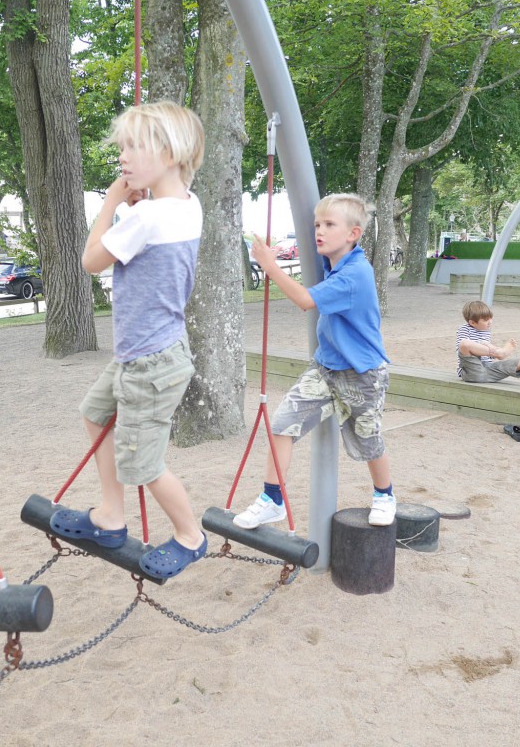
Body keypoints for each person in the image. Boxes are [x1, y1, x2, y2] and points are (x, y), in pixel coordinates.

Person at [48, 101, 207, 580]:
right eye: (122, 149)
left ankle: (190, 536)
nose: (123, 158)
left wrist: (111, 203)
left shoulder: (144, 218)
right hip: (151, 353)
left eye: (134, 147)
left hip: (150, 364)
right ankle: (111, 517)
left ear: (171, 151)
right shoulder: (187, 205)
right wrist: (139, 197)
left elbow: (91, 261)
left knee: (144, 463)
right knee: (95, 414)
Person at [232, 193, 396, 531]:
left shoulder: (355, 274)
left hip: (362, 374)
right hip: (325, 368)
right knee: (282, 424)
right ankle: (271, 499)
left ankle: (384, 494)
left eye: (329, 225)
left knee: (367, 440)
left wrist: (269, 265)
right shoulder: (334, 261)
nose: (318, 231)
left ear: (353, 234)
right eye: (316, 224)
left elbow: (306, 300)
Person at [456, 300, 520, 394]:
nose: (490, 322)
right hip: (471, 371)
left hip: (488, 370)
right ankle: (500, 353)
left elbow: (486, 355)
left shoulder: (486, 331)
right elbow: (464, 349)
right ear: (472, 322)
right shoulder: (464, 329)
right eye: (485, 320)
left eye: (490, 318)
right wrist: (490, 347)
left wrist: (492, 349)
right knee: (464, 343)